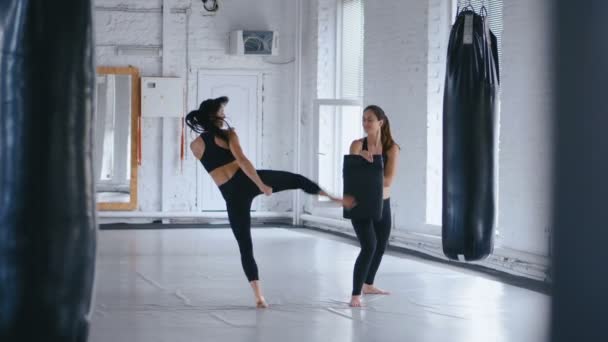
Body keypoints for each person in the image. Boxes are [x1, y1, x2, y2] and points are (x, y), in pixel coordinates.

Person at [186, 96, 355, 308]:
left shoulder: (195, 145)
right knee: (295, 180)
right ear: (215, 115)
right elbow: (243, 161)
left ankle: (259, 297)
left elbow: (219, 165)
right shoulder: (229, 134)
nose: (224, 115)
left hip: (230, 194)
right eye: (222, 111)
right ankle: (332, 198)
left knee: (245, 245)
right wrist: (261, 184)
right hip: (246, 181)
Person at [348, 105, 400, 307]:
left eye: (370, 119)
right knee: (369, 246)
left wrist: (367, 168)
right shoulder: (356, 145)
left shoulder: (391, 148)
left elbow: (388, 181)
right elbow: (350, 175)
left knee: (380, 246)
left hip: (382, 204)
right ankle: (354, 294)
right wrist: (359, 160)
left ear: (381, 122)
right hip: (359, 204)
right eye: (363, 119)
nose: (365, 123)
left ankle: (368, 284)